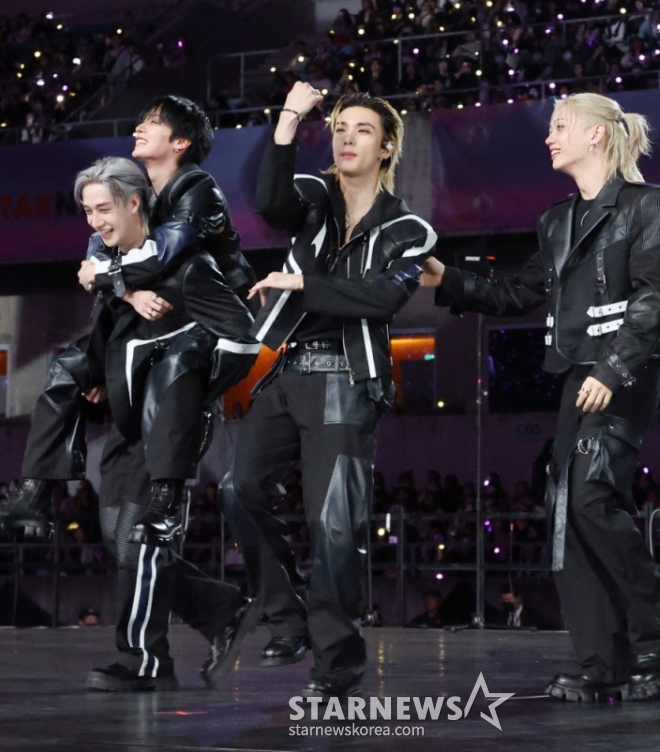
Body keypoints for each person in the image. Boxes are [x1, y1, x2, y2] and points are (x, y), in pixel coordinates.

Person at [422, 92, 660, 704]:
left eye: (560, 126)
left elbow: (650, 299)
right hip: (576, 375)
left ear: (596, 134)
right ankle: (601, 660)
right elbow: (518, 292)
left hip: (625, 371)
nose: (549, 136)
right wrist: (448, 279)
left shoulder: (649, 203)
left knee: (590, 497)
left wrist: (612, 368)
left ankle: (657, 639)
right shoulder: (556, 220)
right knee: (565, 509)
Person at [227, 83, 436, 699]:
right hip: (286, 372)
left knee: (336, 526)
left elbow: (382, 297)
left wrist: (302, 286)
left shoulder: (408, 228)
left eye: (362, 129)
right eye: (339, 128)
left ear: (387, 146)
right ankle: (288, 619)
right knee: (239, 490)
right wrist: (290, 119)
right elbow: (270, 201)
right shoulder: (315, 198)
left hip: (346, 380)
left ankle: (337, 663)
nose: (346, 137)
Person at [0, 95, 253, 538]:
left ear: (180, 142)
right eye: (89, 211)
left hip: (209, 321)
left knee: (172, 371)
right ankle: (34, 494)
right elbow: (100, 257)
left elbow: (159, 256)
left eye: (152, 122)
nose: (138, 127)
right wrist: (124, 295)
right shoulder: (140, 196)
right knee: (67, 370)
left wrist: (105, 276)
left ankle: (167, 497)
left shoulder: (198, 190)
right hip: (149, 322)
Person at [60, 157, 259, 693]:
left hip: (169, 424)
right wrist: (100, 372)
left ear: (134, 203)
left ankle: (147, 661)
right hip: (126, 422)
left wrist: (193, 392)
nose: (95, 221)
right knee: (118, 538)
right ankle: (223, 609)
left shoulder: (186, 264)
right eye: (88, 212)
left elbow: (240, 335)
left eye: (104, 209)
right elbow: (115, 335)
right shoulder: (109, 268)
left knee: (142, 539)